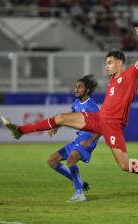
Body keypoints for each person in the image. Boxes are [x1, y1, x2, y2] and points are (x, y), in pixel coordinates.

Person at [2, 27, 138, 195]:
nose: (106, 66)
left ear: (120, 62)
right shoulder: (112, 80)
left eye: (110, 62)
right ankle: (20, 131)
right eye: (106, 63)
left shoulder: (130, 75)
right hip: (98, 119)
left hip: (113, 126)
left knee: (124, 165)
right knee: (60, 118)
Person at [47, 74, 100, 202]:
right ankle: (81, 184)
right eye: (75, 87)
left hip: (88, 139)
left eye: (80, 87)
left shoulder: (91, 106)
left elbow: (101, 127)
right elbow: (71, 115)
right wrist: (57, 126)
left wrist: (90, 141)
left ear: (87, 89)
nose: (76, 89)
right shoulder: (77, 102)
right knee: (52, 161)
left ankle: (79, 194)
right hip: (79, 139)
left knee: (71, 160)